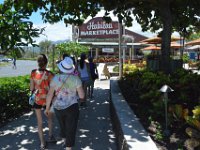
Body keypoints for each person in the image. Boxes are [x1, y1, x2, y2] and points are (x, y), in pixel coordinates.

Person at [45, 57, 85, 150]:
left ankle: (64, 140)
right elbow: (82, 95)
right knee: (71, 127)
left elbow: (50, 95)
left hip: (58, 107)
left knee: (62, 125)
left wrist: (47, 108)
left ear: (61, 68)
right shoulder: (76, 79)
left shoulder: (55, 78)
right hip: (72, 107)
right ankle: (68, 147)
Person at [30, 54, 55, 150]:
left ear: (38, 62)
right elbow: (53, 89)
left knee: (39, 122)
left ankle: (42, 143)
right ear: (46, 63)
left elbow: (31, 88)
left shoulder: (33, 73)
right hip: (47, 101)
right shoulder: (50, 74)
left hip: (37, 100)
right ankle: (50, 136)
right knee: (50, 119)